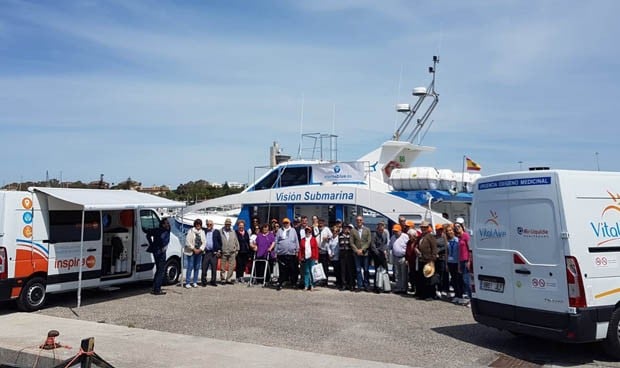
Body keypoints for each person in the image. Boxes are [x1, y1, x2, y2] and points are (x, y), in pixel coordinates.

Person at [146, 218, 171, 295]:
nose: (168, 224)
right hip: (161, 252)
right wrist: (162, 248)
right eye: (167, 223)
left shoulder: (156, 230)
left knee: (158, 269)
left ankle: (155, 287)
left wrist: (151, 244)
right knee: (161, 270)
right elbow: (163, 241)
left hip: (155, 251)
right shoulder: (165, 231)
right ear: (163, 224)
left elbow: (148, 235)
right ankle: (157, 289)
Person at [275, 217, 300, 290]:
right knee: (282, 269)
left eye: (287, 223)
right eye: (284, 223)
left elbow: (296, 240)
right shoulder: (279, 231)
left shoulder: (293, 230)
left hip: (291, 253)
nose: (286, 224)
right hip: (282, 253)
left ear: (289, 223)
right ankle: (281, 283)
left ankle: (293, 283)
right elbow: (276, 241)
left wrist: (297, 250)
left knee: (293, 269)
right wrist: (275, 251)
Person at [415, 221, 438, 300]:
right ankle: (424, 294)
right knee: (422, 278)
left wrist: (432, 259)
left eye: (424, 227)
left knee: (430, 278)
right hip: (421, 259)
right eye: (422, 227)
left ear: (428, 228)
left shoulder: (430, 236)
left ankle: (430, 295)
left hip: (429, 260)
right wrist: (416, 249)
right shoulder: (421, 236)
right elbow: (417, 245)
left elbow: (434, 248)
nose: (423, 229)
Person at [350, 215, 371, 291]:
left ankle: (366, 285)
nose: (359, 222)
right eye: (357, 220)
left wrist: (362, 250)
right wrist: (357, 250)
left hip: (365, 253)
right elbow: (351, 242)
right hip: (356, 254)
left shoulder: (367, 230)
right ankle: (359, 285)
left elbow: (368, 242)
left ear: (363, 221)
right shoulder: (353, 230)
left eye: (360, 220)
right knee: (358, 270)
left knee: (366, 270)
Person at [184, 219, 205, 288]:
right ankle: (187, 282)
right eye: (197, 224)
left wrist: (200, 249)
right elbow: (187, 242)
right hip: (191, 251)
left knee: (197, 267)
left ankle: (195, 282)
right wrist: (194, 249)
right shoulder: (191, 231)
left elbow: (204, 242)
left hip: (199, 252)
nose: (198, 225)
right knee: (190, 266)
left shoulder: (202, 232)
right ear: (195, 225)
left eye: (199, 224)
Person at [446, 225, 464, 304]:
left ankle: (460, 296)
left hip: (457, 263)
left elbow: (460, 253)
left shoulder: (458, 240)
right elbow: (447, 253)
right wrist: (446, 264)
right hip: (450, 263)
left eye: (450, 230)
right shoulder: (448, 241)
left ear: (454, 231)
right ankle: (456, 295)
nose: (449, 232)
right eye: (447, 231)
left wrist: (460, 264)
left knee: (459, 280)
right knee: (453, 280)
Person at [454, 219, 472, 301]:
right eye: (455, 227)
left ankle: (471, 297)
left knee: (466, 280)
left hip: (466, 260)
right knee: (463, 280)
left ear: (462, 227)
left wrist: (469, 261)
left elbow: (470, 249)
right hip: (461, 261)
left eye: (458, 226)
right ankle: (468, 296)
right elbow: (459, 252)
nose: (457, 228)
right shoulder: (459, 237)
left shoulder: (466, 236)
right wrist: (458, 264)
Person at [201, 219, 222, 287]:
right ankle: (204, 281)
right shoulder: (204, 231)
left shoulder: (216, 232)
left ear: (213, 225)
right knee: (204, 268)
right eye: (207, 224)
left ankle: (213, 281)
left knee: (214, 268)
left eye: (210, 224)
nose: (209, 226)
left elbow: (220, 242)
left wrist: (219, 250)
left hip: (214, 253)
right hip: (206, 252)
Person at [370, 221, 389, 293]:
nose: (381, 229)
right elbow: (373, 245)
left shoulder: (384, 234)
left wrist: (385, 252)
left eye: (382, 227)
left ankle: (385, 286)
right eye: (380, 228)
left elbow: (385, 243)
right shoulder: (374, 234)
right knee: (377, 271)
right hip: (377, 254)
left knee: (385, 270)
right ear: (377, 228)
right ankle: (376, 286)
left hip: (383, 253)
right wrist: (377, 253)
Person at [299, 225, 319, 291]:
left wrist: (316, 258)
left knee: (312, 271)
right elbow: (300, 250)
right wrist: (300, 258)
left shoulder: (313, 239)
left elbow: (316, 249)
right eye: (307, 231)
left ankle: (312, 285)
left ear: (311, 232)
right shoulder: (302, 240)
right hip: (305, 258)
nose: (308, 232)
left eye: (309, 231)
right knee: (306, 272)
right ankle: (306, 285)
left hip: (312, 257)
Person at [389, 224, 409, 294]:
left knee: (404, 274)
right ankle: (398, 287)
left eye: (396, 231)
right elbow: (390, 246)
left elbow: (408, 247)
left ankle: (404, 288)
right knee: (397, 273)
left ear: (400, 231)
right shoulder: (392, 237)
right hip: (395, 257)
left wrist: (407, 258)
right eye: (394, 231)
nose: (395, 232)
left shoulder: (405, 237)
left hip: (403, 257)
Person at [220, 218, 240, 284]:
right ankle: (222, 279)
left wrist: (237, 249)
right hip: (224, 251)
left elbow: (236, 241)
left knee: (232, 266)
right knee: (223, 266)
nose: (228, 225)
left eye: (229, 224)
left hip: (232, 252)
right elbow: (218, 241)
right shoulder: (221, 231)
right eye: (227, 224)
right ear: (225, 224)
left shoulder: (233, 231)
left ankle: (228, 279)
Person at [338, 224, 356, 291]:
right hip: (342, 253)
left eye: (346, 228)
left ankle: (351, 284)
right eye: (344, 228)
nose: (345, 229)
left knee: (350, 270)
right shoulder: (339, 235)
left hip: (349, 253)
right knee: (343, 270)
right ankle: (343, 285)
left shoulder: (350, 235)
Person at [435, 224, 450, 298]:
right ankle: (439, 289)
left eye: (441, 229)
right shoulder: (434, 237)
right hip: (436, 259)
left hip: (443, 258)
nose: (439, 231)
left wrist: (438, 251)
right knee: (438, 275)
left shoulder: (444, 237)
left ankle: (446, 290)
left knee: (445, 274)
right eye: (438, 229)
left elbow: (446, 247)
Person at [316, 218, 332, 286]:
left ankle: (325, 281)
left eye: (322, 223)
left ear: (324, 223)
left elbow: (331, 237)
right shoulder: (316, 229)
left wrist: (327, 238)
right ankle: (320, 280)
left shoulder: (327, 229)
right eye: (319, 223)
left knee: (325, 267)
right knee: (319, 267)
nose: (320, 224)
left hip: (324, 251)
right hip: (318, 250)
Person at [328, 224, 341, 289]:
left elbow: (338, 248)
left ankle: (339, 282)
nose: (334, 232)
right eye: (333, 231)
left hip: (337, 257)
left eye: (336, 231)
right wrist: (329, 253)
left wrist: (333, 254)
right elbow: (329, 247)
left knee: (338, 270)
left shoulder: (338, 238)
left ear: (338, 232)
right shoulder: (331, 238)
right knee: (335, 270)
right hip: (331, 257)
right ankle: (337, 281)